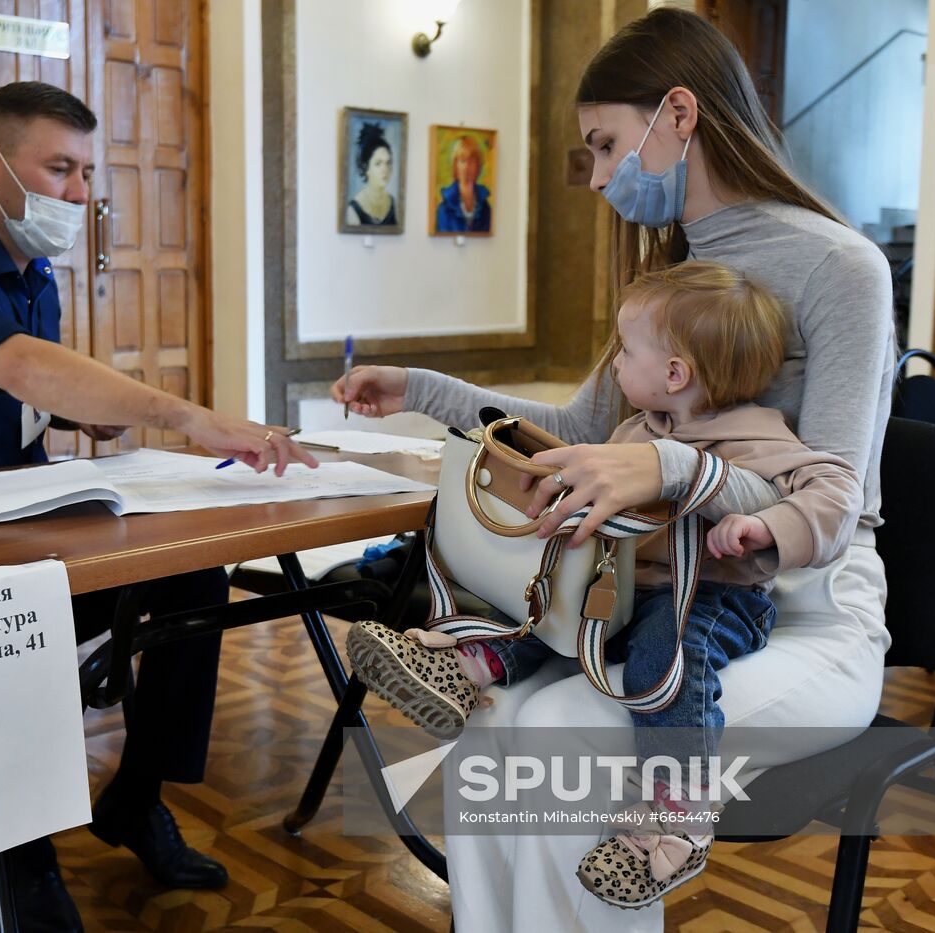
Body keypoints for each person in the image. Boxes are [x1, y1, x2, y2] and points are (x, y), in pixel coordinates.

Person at [333, 7, 895, 930]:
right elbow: (579, 432)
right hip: (653, 595)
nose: (597, 178)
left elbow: (825, 499)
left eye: (604, 145)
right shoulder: (680, 271)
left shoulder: (843, 268)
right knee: (493, 720)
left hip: (796, 610)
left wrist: (670, 468)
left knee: (556, 739)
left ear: (679, 115)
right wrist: (421, 388)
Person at [0, 81, 316, 932]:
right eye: (61, 169)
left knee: (194, 579)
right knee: (19, 609)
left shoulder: (33, 276)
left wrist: (89, 413)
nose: (80, 192)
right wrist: (182, 415)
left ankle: (134, 797)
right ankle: (22, 866)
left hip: (26, 514)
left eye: (86, 171)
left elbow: (35, 397)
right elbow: (20, 367)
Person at [347, 260, 863, 908]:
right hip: (633, 585)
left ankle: (679, 805)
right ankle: (470, 664)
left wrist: (765, 528)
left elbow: (838, 495)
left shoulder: (759, 436)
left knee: (665, 660)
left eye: (625, 349)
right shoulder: (637, 431)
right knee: (551, 616)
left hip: (713, 597)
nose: (614, 362)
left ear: (674, 374)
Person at [345, 121, 398, 228]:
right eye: (378, 164)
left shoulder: (394, 204)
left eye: (388, 163)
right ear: (366, 167)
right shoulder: (354, 209)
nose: (385, 169)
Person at [434, 133, 491, 233]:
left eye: (472, 161)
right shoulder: (445, 209)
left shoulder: (485, 208)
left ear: (478, 166)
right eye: (462, 161)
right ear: (455, 166)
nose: (467, 167)